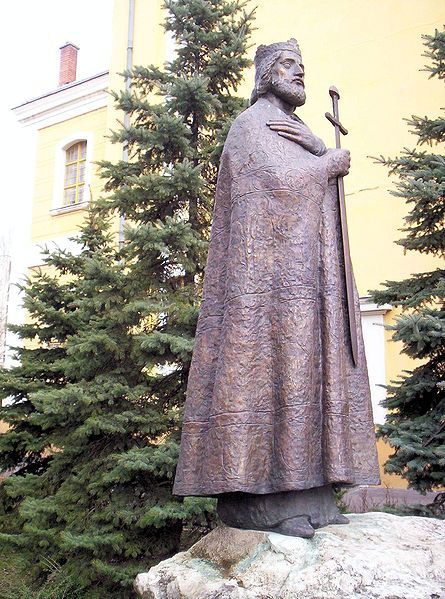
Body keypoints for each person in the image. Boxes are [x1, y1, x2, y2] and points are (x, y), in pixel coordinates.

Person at [173, 39, 380, 538]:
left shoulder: (299, 130)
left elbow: (305, 189)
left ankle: (313, 492)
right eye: (289, 65)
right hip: (264, 295)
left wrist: (315, 150)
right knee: (273, 377)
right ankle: (267, 498)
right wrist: (326, 164)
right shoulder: (250, 127)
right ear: (266, 74)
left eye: (303, 66)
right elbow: (276, 189)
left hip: (308, 285)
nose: (300, 73)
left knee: (308, 376)